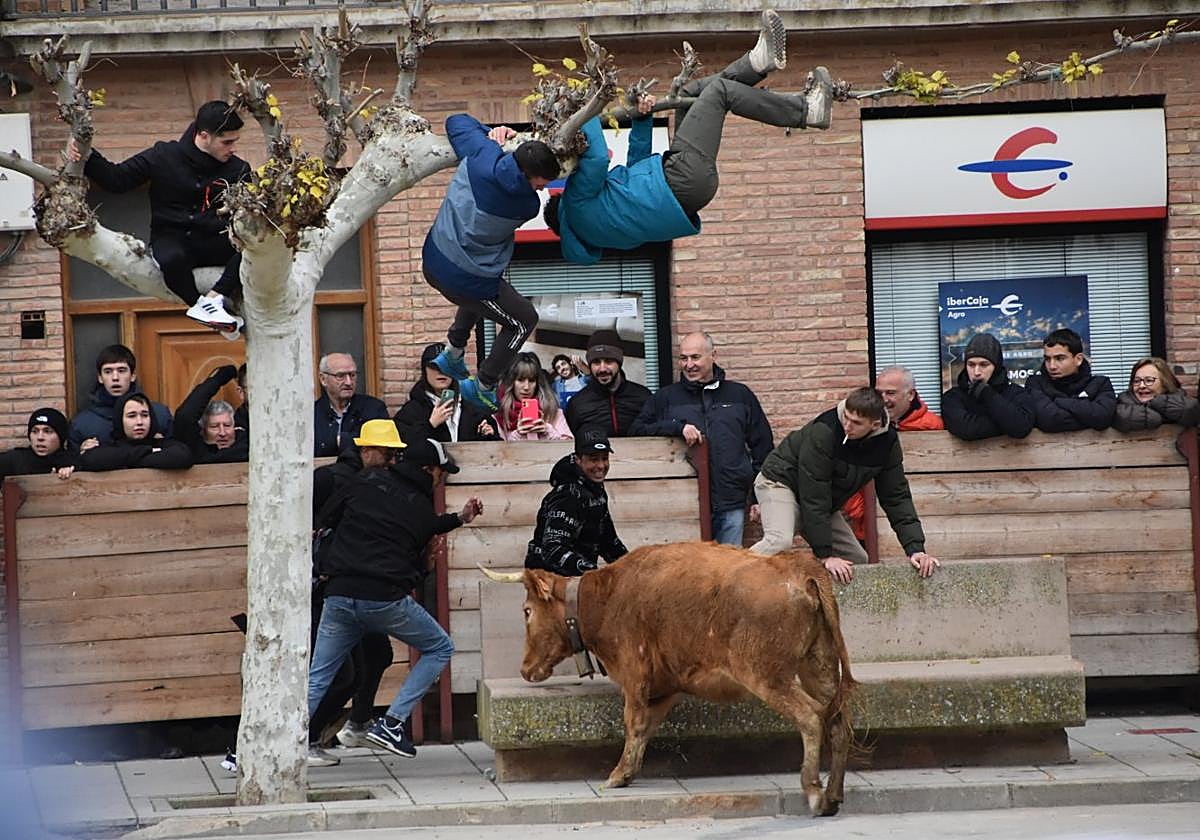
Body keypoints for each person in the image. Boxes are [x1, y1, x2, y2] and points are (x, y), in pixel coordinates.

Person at [543, 10, 832, 265]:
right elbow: (594, 159)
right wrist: (582, 113)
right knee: (720, 93)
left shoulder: (606, 235)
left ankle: (757, 62)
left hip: (688, 189)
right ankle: (807, 111)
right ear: (563, 202)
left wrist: (642, 118)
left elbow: (637, 167)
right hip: (680, 178)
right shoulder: (577, 204)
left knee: (688, 95)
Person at [308, 424, 483, 759]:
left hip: (339, 595)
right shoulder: (418, 508)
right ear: (426, 470)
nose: (440, 480)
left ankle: (278, 741)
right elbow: (414, 568)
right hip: (383, 598)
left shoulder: (363, 481)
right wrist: (429, 560)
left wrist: (459, 518)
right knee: (440, 647)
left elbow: (327, 519)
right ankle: (391, 723)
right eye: (439, 473)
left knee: (318, 678)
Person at [73, 101, 250, 337]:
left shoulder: (239, 169)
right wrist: (87, 155)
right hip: (173, 240)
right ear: (204, 136)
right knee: (171, 257)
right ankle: (202, 308)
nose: (233, 148)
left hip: (216, 241)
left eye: (235, 141)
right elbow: (116, 180)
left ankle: (214, 300)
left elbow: (250, 221)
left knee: (254, 248)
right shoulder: (163, 156)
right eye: (227, 142)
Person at [421, 113, 561, 412]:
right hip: (463, 278)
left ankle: (453, 352)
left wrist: (488, 135)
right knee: (524, 319)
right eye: (540, 183)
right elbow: (514, 184)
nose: (540, 190)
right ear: (527, 175)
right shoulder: (527, 205)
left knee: (482, 292)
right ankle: (483, 384)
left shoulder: (481, 154)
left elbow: (455, 121)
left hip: (433, 257)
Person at [749, 387, 939, 583]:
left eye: (856, 423)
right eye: (846, 417)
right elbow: (815, 495)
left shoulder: (887, 443)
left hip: (820, 500)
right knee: (779, 540)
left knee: (857, 561)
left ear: (874, 424)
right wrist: (825, 556)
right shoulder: (824, 431)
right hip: (780, 481)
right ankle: (725, 576)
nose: (847, 425)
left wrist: (915, 549)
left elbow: (896, 497)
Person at [631, 331, 772, 545]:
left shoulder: (740, 395)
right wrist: (676, 428)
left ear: (713, 355)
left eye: (695, 357)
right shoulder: (665, 398)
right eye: (683, 358)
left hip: (731, 501)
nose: (689, 365)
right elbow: (637, 430)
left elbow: (763, 447)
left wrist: (758, 498)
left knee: (729, 569)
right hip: (686, 503)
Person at [525, 429, 627, 576]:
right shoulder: (568, 495)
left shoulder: (596, 491)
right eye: (593, 459)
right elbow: (553, 550)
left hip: (579, 580)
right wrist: (592, 573)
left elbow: (609, 543)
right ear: (578, 459)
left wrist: (634, 568)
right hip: (549, 585)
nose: (601, 466)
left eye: (604, 458)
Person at [69, 344, 173, 450]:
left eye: (121, 370)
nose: (115, 378)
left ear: (132, 376)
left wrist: (162, 444)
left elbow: (178, 454)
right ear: (100, 378)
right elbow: (71, 462)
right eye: (108, 371)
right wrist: (81, 454)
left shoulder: (159, 415)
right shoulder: (82, 424)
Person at [393, 343, 498, 444]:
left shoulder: (474, 410)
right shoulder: (412, 411)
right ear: (425, 370)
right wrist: (430, 424)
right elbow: (403, 447)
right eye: (434, 366)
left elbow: (496, 453)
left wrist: (489, 435)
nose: (441, 371)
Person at [941, 334, 1037, 441]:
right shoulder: (953, 397)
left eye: (984, 365)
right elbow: (967, 429)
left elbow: (1021, 427)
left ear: (996, 366)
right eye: (971, 365)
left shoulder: (1016, 393)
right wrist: (1007, 424)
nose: (976, 372)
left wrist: (988, 394)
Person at [1024, 328, 1116, 432]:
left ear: (1078, 359)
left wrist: (1059, 401)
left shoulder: (1100, 384)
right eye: (1047, 359)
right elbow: (1049, 421)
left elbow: (1102, 418)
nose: (1052, 366)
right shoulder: (1035, 384)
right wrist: (1087, 415)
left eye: (1059, 358)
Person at [564, 329, 652, 437]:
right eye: (596, 362)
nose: (602, 369)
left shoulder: (643, 397)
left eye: (609, 361)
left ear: (619, 363)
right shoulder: (577, 404)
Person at [76, 393, 193, 471]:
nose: (139, 421)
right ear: (120, 420)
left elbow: (183, 456)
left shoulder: (162, 444)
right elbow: (91, 459)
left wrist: (124, 460)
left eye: (144, 415)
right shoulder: (109, 447)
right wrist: (150, 452)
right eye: (131, 416)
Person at [314, 352, 389, 458]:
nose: (349, 382)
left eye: (352, 375)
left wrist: (340, 440)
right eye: (340, 376)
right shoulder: (312, 414)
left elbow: (379, 448)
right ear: (323, 379)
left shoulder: (374, 408)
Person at [173, 365, 249, 463]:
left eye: (227, 425)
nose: (222, 433)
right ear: (203, 431)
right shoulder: (197, 449)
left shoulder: (244, 437)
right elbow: (185, 417)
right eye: (214, 426)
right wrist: (217, 379)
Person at [494, 352, 573, 441]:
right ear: (512, 382)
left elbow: (569, 447)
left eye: (531, 380)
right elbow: (501, 452)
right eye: (520, 380)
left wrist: (547, 430)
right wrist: (518, 435)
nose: (526, 387)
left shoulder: (554, 412)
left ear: (538, 384)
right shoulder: (500, 418)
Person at [1112, 357, 1200, 432]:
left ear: (1165, 383)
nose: (1141, 386)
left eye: (1149, 380)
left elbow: (1190, 409)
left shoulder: (1180, 399)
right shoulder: (1122, 404)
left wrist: (1158, 402)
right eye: (1136, 381)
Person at [0, 408, 76, 481]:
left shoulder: (71, 462)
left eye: (47, 431)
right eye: (35, 431)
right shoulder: (14, 460)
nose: (40, 437)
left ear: (61, 436)